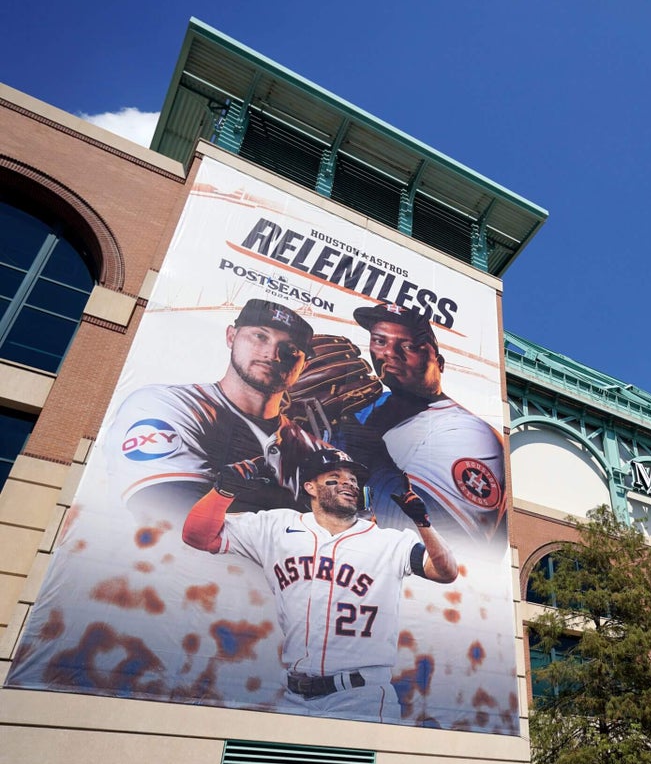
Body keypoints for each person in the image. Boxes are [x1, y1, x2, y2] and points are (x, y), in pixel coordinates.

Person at [181, 447, 458, 722]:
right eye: (335, 477)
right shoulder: (276, 526)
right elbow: (199, 537)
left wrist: (423, 523)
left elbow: (446, 572)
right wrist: (223, 493)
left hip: (363, 697)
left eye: (353, 480)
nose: (348, 483)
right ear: (310, 487)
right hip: (294, 695)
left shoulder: (390, 541)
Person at [109, 299, 326, 524]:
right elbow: (173, 510)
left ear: (304, 366)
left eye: (291, 349)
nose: (273, 354)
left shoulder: (319, 451)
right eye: (260, 336)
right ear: (231, 336)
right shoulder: (165, 404)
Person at [335, 302, 506, 548]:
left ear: (440, 362)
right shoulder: (363, 407)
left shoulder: (469, 433)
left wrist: (352, 446)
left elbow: (444, 540)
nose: (391, 353)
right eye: (380, 341)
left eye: (409, 346)